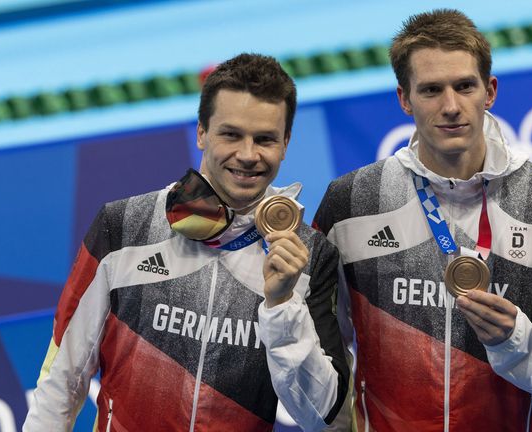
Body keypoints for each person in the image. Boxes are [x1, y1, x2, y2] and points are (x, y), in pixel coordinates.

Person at [24, 53, 349, 432]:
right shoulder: (125, 227)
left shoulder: (307, 257)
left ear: (285, 143)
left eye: (264, 139)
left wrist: (282, 305)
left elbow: (322, 418)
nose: (247, 155)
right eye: (231, 134)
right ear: (201, 133)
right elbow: (63, 378)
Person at [313, 9, 532, 432]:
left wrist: (516, 340)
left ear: (489, 91)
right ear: (404, 99)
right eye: (431, 90)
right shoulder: (351, 202)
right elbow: (324, 353)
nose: (451, 106)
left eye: (464, 86)